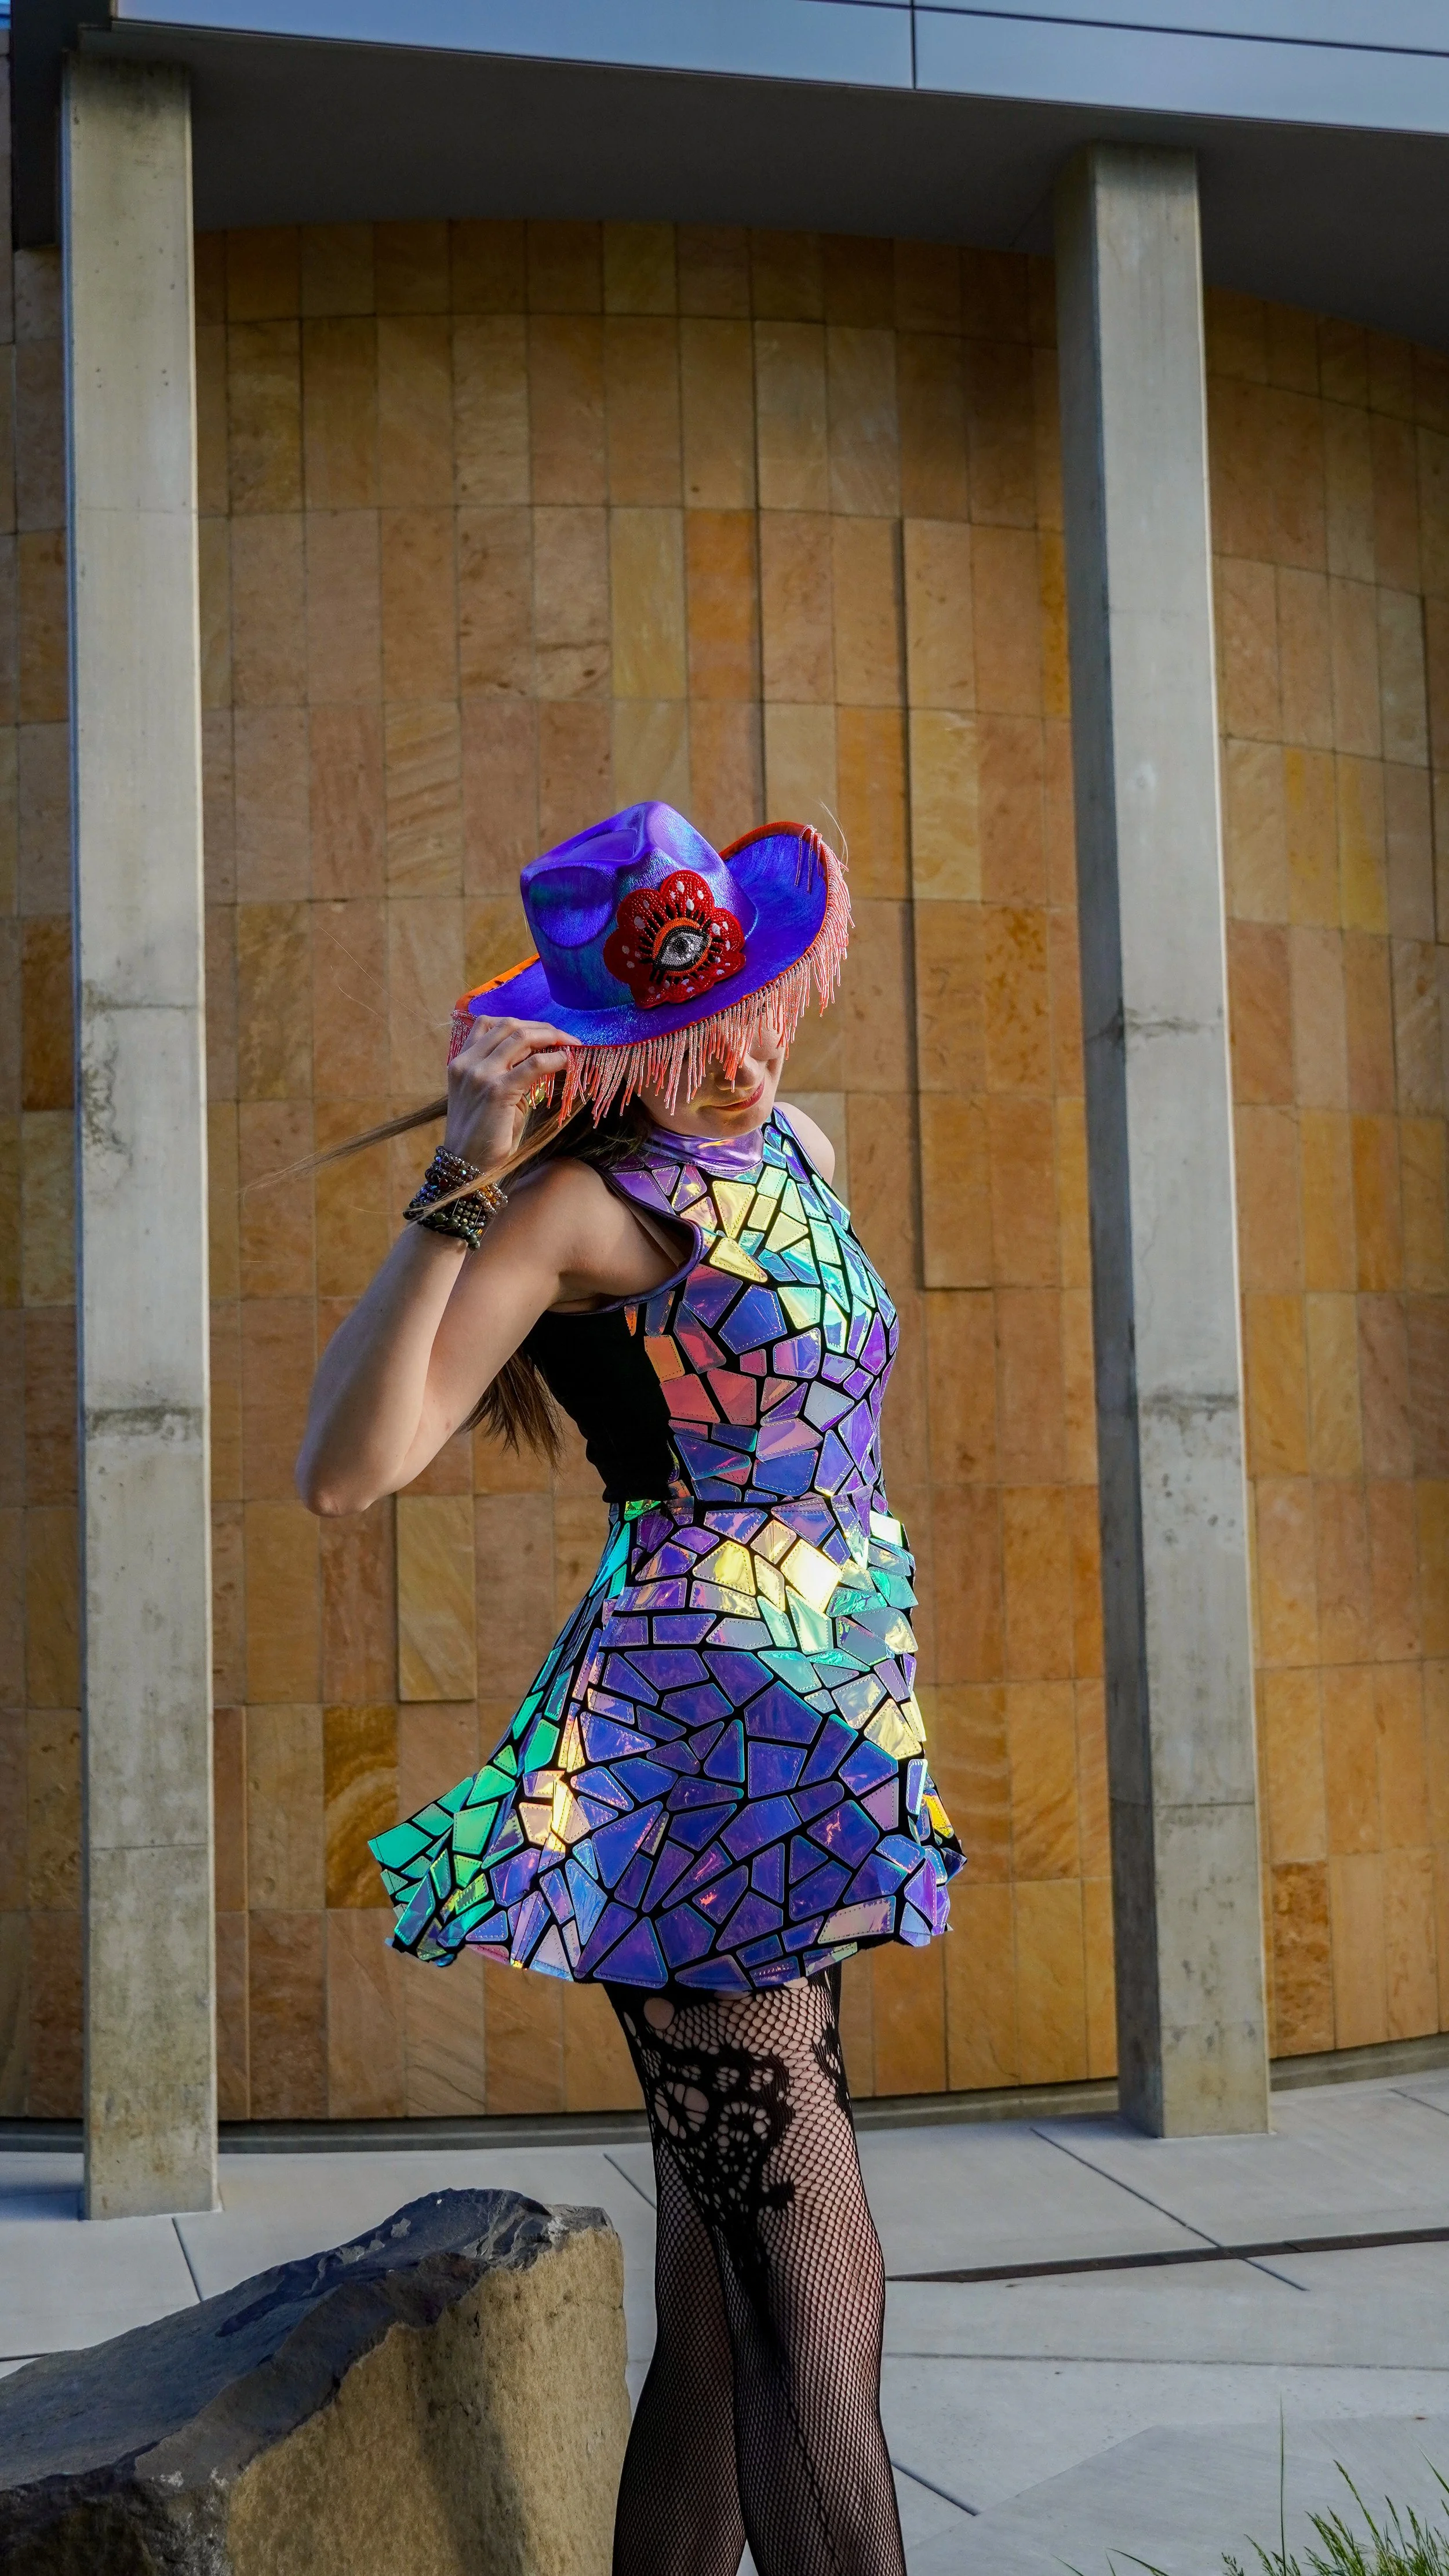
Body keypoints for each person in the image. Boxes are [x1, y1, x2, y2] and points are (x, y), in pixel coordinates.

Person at [296, 800, 964, 2576]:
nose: (739, 1055)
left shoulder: (798, 1150)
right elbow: (349, 1469)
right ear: (616, 1049)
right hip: (694, 1746)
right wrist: (463, 1166)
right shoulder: (588, 1214)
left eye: (751, 1005)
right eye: (693, 1030)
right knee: (818, 2282)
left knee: (724, 2277)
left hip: (821, 1714)